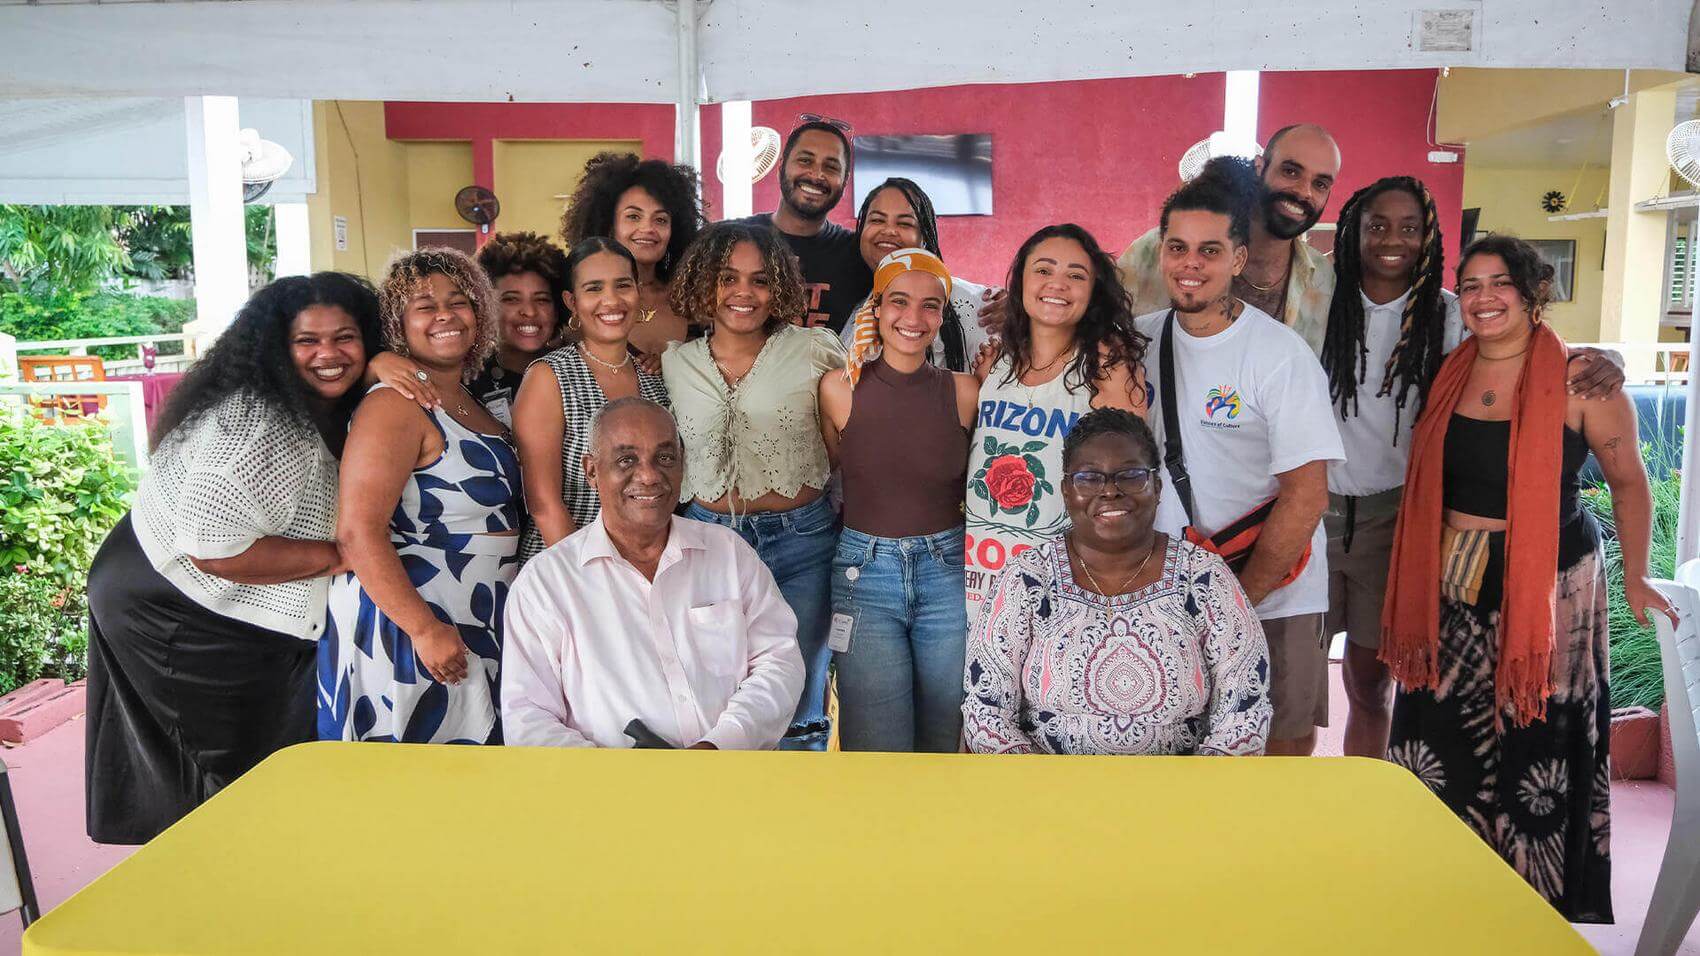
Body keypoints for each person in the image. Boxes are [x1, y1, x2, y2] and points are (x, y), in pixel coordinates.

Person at [1380, 235, 1671, 922]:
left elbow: (1630, 484)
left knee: (1536, 736)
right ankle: (1440, 890)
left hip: (1552, 589)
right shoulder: (1449, 372)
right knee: (1441, 734)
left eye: (1500, 282)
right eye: (1471, 283)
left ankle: (1531, 903)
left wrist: (1636, 577)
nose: (1483, 297)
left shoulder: (1580, 382)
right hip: (1451, 578)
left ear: (1534, 291)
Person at [1320, 177, 1626, 759]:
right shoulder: (1315, 305)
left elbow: (1520, 345)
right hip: (1312, 513)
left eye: (1411, 227)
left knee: (1371, 683)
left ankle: (1359, 812)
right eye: (1377, 224)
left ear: (1429, 237)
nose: (1394, 239)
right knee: (1290, 681)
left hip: (1398, 515)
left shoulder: (1450, 316)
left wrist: (1599, 359)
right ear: (1351, 230)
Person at [84, 272, 381, 844]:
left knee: (226, 762)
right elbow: (216, 548)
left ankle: (232, 877)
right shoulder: (260, 421)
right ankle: (221, 890)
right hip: (172, 596)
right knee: (233, 766)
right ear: (275, 347)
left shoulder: (314, 401)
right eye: (307, 341)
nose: (328, 354)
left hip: (179, 574)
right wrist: (343, 555)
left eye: (346, 338)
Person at [1135, 170, 1344, 757]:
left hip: (1274, 594)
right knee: (1181, 751)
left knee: (1278, 748)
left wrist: (1238, 601)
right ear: (1161, 252)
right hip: (1173, 596)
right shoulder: (1136, 343)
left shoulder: (1279, 356)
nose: (1190, 264)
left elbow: (1307, 496)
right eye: (1177, 247)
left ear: (1239, 258)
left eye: (1210, 250)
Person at [963, 408, 1271, 755]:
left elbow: (1244, 716)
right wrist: (1044, 798)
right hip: (1048, 798)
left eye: (1130, 475)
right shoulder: (1028, 578)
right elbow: (986, 713)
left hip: (1179, 798)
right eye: (1089, 478)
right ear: (1067, 491)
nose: (1110, 491)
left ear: (1156, 487)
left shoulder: (1205, 578)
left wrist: (1190, 802)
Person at [501, 398, 805, 748]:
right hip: (607, 796)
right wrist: (625, 781)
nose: (648, 475)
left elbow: (779, 660)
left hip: (732, 781)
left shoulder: (729, 554)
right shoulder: (546, 583)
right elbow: (528, 717)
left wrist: (720, 746)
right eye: (626, 460)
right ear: (591, 471)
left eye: (664, 458)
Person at [318, 249, 522, 745]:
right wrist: (422, 628)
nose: (446, 316)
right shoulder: (394, 403)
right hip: (414, 617)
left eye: (459, 301)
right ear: (397, 323)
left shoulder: (466, 396)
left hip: (476, 610)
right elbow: (357, 530)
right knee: (409, 783)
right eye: (424, 306)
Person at [663, 221, 846, 750]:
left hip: (801, 540)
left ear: (780, 288)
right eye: (728, 278)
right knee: (718, 694)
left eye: (760, 280)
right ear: (704, 283)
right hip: (706, 540)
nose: (743, 293)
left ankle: (799, 821)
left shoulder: (815, 349)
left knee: (801, 697)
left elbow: (841, 441)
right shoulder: (677, 361)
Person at [819, 247, 979, 752]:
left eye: (931, 305)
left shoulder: (966, 391)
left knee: (946, 736)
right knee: (876, 745)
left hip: (949, 570)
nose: (913, 318)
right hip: (863, 575)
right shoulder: (836, 390)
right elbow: (835, 471)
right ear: (876, 308)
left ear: (943, 315)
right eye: (899, 302)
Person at [964, 223, 1147, 630]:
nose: (1057, 284)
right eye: (1044, 270)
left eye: (1076, 275)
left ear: (1093, 290)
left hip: (1067, 584)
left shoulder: (1106, 364)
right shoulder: (996, 363)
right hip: (982, 573)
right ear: (1022, 280)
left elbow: (1131, 484)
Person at [511, 237, 670, 560]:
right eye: (594, 288)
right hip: (567, 564)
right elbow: (544, 505)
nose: (611, 300)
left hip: (647, 563)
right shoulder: (549, 376)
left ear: (638, 292)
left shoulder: (655, 379)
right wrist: (595, 580)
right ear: (572, 301)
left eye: (622, 285)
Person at [1119, 124, 1340, 350]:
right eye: (1290, 171)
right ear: (1259, 167)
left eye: (1320, 184)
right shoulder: (1156, 251)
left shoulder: (1322, 280)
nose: (1304, 191)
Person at [836, 177, 992, 372]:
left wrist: (1016, 307)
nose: (889, 230)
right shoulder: (860, 303)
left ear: (925, 238)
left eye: (905, 224)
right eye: (877, 220)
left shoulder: (972, 304)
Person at [559, 151, 707, 355]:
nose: (648, 228)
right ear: (608, 224)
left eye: (661, 219)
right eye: (634, 216)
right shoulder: (582, 301)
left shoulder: (692, 297)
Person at [738, 118, 871, 333]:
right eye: (805, 161)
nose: (817, 175)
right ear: (781, 166)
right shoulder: (731, 239)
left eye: (831, 167)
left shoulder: (859, 254)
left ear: (844, 181)